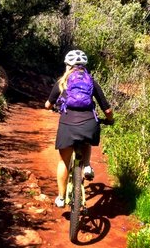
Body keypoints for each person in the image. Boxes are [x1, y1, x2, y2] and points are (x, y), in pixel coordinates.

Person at [44, 49, 114, 207]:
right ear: (85, 66)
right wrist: (110, 120)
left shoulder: (62, 81)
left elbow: (48, 105)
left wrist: (53, 108)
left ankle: (61, 198)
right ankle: (87, 166)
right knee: (86, 139)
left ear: (68, 65)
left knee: (63, 161)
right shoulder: (91, 81)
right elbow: (107, 110)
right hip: (89, 123)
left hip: (68, 125)